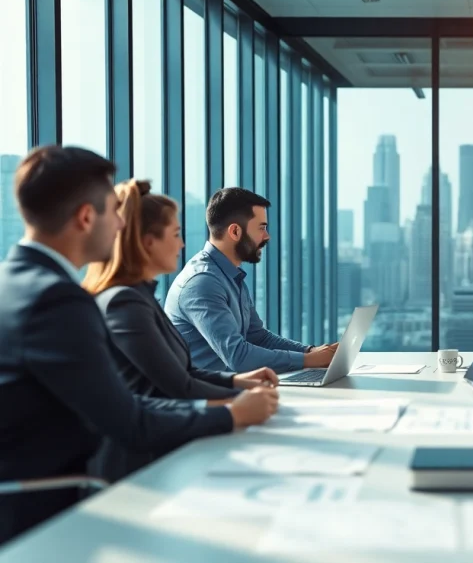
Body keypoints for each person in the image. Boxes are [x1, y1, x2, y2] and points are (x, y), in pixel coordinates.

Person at [0, 146, 278, 544]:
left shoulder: (12, 283)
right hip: (47, 515)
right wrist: (233, 416)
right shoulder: (57, 301)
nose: (119, 226)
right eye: (113, 213)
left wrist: (232, 399)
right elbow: (129, 420)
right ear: (85, 218)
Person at [164, 188, 337, 373]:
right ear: (235, 231)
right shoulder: (202, 282)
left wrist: (310, 352)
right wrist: (308, 360)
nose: (267, 236)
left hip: (231, 388)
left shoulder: (229, 275)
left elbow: (258, 337)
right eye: (261, 228)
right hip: (206, 396)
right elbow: (238, 357)